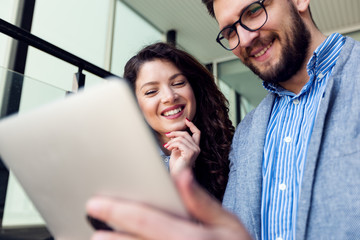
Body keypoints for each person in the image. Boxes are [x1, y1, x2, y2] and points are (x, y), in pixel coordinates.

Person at [86, 0, 360, 239]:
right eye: (230, 31)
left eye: (254, 11)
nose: (245, 38)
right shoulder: (248, 133)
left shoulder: (225, 146)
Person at [124, 42, 234, 201]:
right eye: (151, 91)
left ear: (195, 90)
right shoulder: (123, 162)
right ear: (135, 104)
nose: (169, 96)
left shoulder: (229, 153)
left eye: (178, 83)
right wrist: (179, 180)